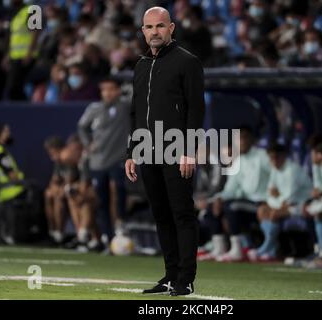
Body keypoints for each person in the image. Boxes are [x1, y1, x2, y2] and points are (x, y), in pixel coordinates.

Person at [125, 7, 205, 296]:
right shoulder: (141, 65)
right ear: (143, 31)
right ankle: (171, 275)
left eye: (160, 26)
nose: (154, 32)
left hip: (176, 149)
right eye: (149, 27)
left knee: (182, 214)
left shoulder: (188, 62)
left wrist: (188, 150)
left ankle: (186, 278)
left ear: (171, 28)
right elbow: (135, 111)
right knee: (161, 215)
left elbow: (196, 110)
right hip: (146, 150)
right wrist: (132, 151)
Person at [78, 76, 130, 243]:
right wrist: (88, 144)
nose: (106, 93)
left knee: (119, 187)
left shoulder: (125, 106)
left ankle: (121, 221)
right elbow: (82, 127)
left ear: (118, 90)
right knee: (101, 198)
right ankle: (108, 235)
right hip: (98, 160)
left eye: (110, 89)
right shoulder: (94, 109)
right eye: (104, 90)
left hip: (118, 157)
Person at [211, 127, 271, 262]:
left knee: (232, 206)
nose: (240, 142)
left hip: (262, 202)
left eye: (243, 138)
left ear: (251, 140)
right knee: (214, 205)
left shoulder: (263, 156)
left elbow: (276, 176)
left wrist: (272, 200)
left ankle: (237, 249)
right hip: (246, 202)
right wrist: (219, 198)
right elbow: (231, 188)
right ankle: (219, 247)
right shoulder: (238, 161)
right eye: (238, 139)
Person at [251, 143, 312, 261]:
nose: (274, 161)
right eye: (271, 158)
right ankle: (271, 249)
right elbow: (270, 194)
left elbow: (290, 198)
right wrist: (279, 199)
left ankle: (267, 247)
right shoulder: (275, 170)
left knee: (274, 213)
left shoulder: (292, 170)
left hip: (302, 205)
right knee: (261, 210)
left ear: (284, 156)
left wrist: (279, 197)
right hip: (285, 204)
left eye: (276, 157)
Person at [43, 136, 67, 245]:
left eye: (53, 153)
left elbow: (73, 180)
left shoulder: (69, 159)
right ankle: (52, 232)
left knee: (58, 199)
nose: (52, 157)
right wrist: (53, 188)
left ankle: (59, 233)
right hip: (63, 190)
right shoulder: (58, 163)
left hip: (74, 191)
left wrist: (61, 189)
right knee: (48, 194)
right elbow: (54, 180)